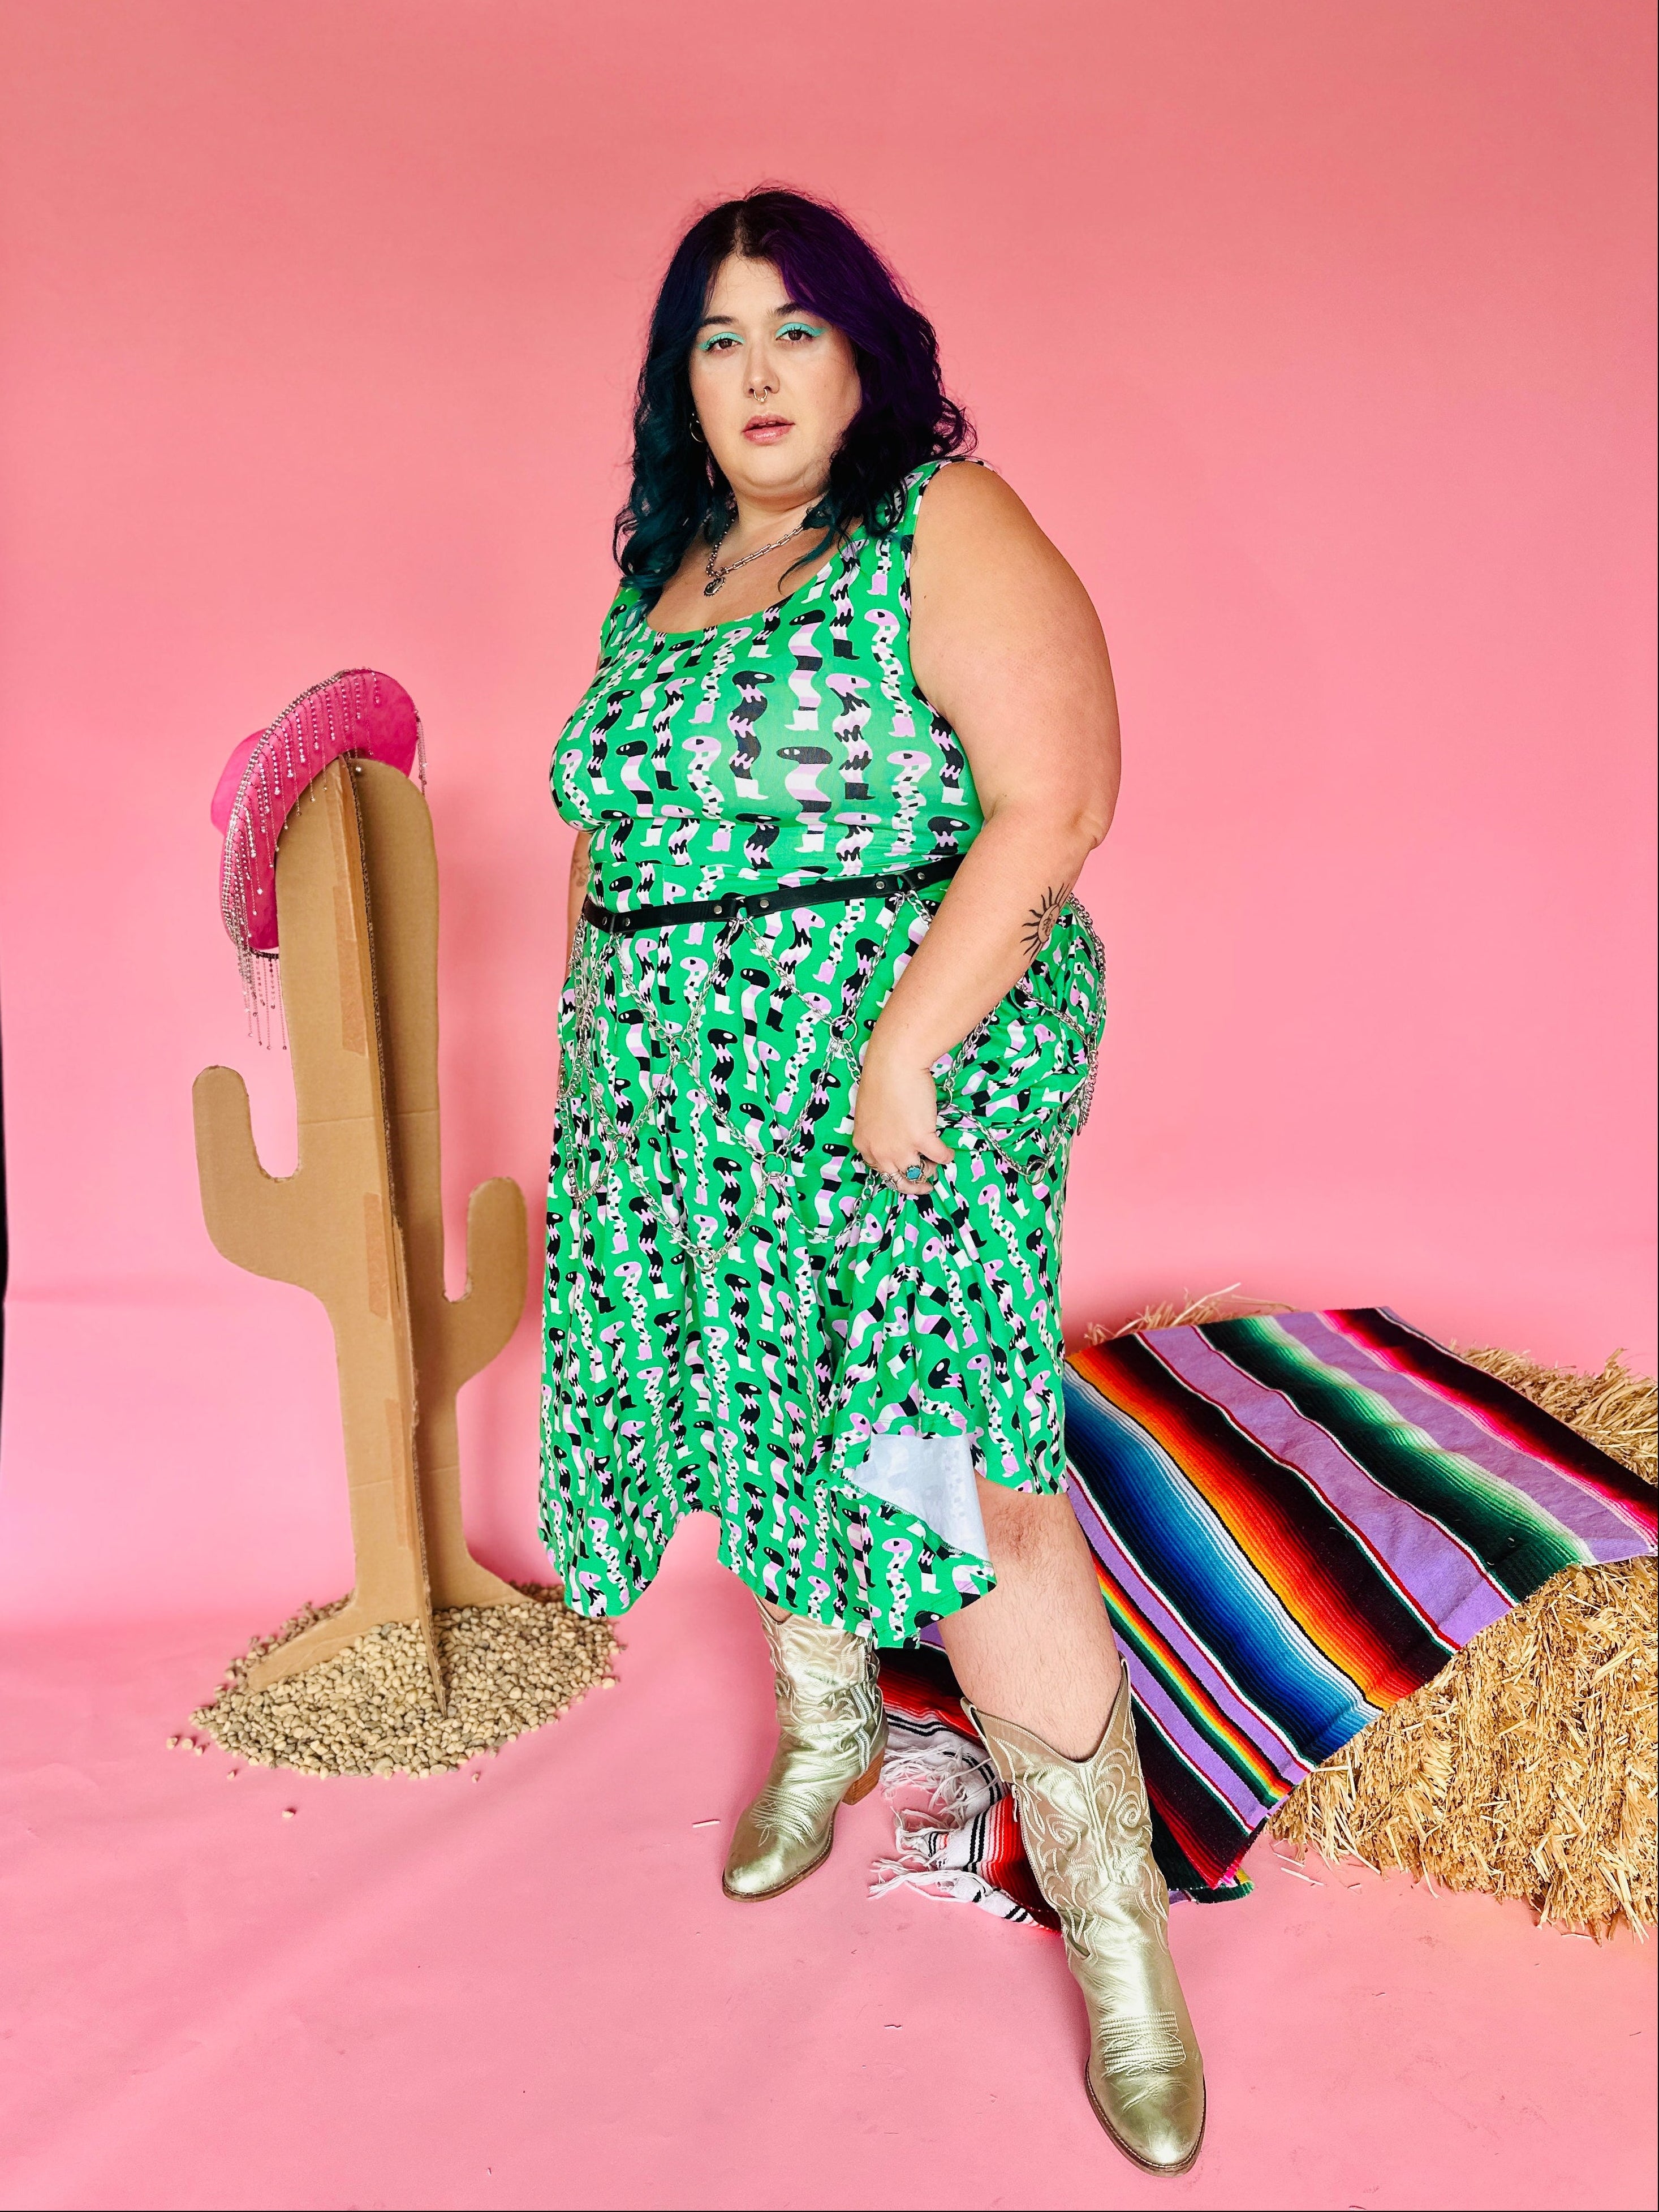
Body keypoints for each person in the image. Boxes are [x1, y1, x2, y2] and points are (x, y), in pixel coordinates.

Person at [541, 187, 1204, 2175]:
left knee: (949, 1462)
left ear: (863, 356)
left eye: (797, 330)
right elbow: (607, 856)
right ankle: (829, 1735)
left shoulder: (940, 521)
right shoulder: (661, 576)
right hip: (672, 1084)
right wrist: (591, 1090)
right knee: (750, 1394)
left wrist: (902, 1045)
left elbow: (1058, 796)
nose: (757, 373)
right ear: (684, 376)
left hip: (908, 1063)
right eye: (720, 337)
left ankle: (1121, 1943)